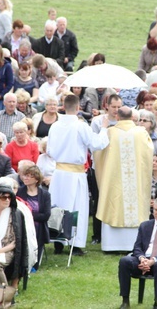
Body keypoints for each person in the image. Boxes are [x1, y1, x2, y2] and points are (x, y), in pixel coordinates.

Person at [48, 95, 109, 254]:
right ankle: (75, 244)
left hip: (59, 172)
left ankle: (58, 242)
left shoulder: (55, 126)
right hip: (75, 173)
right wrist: (104, 128)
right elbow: (97, 144)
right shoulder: (80, 126)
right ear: (78, 108)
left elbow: (49, 150)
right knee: (77, 207)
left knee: (58, 205)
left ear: (63, 105)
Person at [94, 106, 153, 251]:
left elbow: (98, 152)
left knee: (114, 200)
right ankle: (133, 245)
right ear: (132, 117)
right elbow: (149, 153)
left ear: (118, 117)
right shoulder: (141, 133)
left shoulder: (110, 133)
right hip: (136, 182)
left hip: (114, 181)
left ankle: (111, 246)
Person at [117, 195, 157, 309]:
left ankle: (156, 304)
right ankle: (125, 301)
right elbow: (137, 247)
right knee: (124, 261)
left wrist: (153, 260)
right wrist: (142, 259)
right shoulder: (145, 225)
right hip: (143, 259)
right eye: (156, 210)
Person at [16, 164, 50, 269]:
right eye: (25, 175)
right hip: (23, 226)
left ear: (36, 179)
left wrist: (28, 215)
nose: (25, 178)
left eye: (29, 176)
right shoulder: (19, 191)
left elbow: (46, 215)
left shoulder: (44, 195)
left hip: (38, 228)